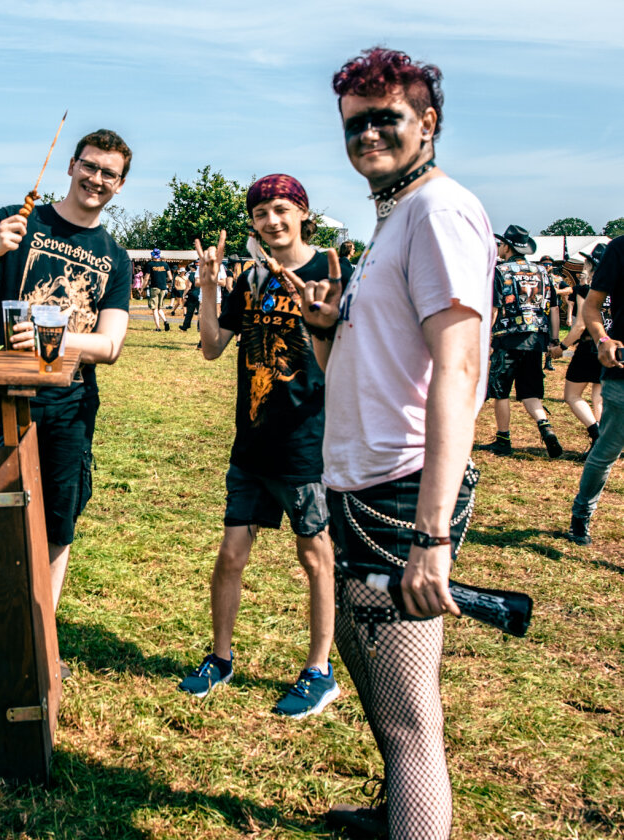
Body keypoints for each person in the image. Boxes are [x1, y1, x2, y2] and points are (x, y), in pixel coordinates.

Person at [291, 47, 494, 839]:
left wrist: (433, 535)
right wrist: (323, 328)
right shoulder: (393, 220)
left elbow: (460, 366)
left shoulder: (439, 211)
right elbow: (364, 363)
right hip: (360, 480)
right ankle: (395, 814)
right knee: (361, 650)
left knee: (410, 718)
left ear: (428, 123)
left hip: (403, 489)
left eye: (387, 118)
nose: (369, 134)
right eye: (355, 123)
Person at [0, 128, 133, 612]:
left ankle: (40, 634)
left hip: (71, 406)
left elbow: (109, 345)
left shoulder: (116, 257)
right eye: (89, 166)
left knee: (57, 526)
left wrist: (55, 338)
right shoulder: (18, 220)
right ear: (70, 166)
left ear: (120, 185)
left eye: (109, 173)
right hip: (5, 398)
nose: (96, 178)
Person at [179, 174, 351, 719]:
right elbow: (210, 347)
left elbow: (349, 356)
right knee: (231, 554)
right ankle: (221, 657)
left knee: (315, 556)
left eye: (281, 210)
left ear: (303, 213)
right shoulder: (250, 278)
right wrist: (209, 287)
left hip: (307, 442)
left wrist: (320, 318)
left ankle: (319, 671)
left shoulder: (332, 270)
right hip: (251, 441)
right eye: (260, 214)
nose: (271, 222)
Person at [485, 224, 563, 457]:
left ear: (507, 247)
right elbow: (554, 309)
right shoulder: (543, 272)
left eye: (500, 244)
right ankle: (545, 427)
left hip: (507, 339)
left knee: (501, 392)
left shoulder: (500, 271)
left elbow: (495, 309)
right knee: (530, 392)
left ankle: (503, 439)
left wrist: (485, 335)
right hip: (535, 338)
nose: (498, 248)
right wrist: (554, 339)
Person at [565, 236, 624, 546]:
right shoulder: (620, 249)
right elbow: (592, 307)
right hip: (622, 370)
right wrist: (603, 340)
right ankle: (582, 514)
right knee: (607, 451)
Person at [560, 252, 607, 457]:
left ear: (590, 265)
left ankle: (596, 434)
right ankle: (602, 444)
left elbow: (579, 325)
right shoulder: (616, 287)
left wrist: (561, 346)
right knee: (599, 397)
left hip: (589, 348)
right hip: (611, 347)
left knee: (572, 395)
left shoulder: (586, 290)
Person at [146, 248, 171, 330]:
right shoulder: (165, 264)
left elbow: (146, 278)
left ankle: (158, 327)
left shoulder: (150, 264)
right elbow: (170, 277)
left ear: (153, 255)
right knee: (160, 308)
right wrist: (164, 280)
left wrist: (142, 287)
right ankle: (165, 321)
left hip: (154, 287)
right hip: (163, 287)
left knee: (154, 308)